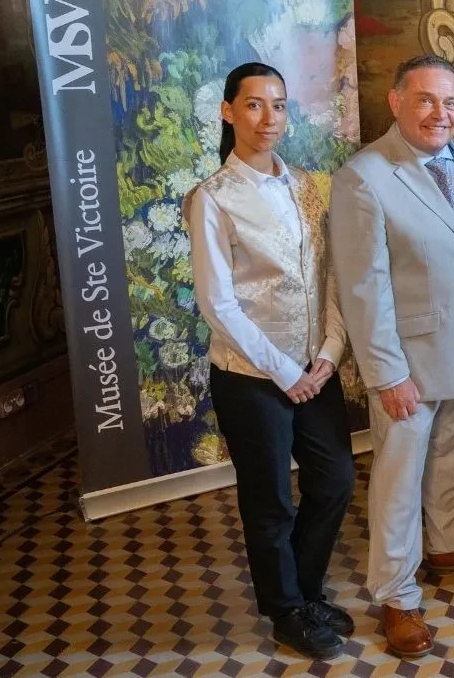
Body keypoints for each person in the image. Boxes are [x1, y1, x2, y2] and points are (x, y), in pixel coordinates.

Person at [330, 54, 454, 659]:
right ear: (397, 101)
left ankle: (447, 544)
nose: (441, 114)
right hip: (408, 363)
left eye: (451, 102)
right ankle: (396, 593)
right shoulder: (364, 176)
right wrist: (388, 374)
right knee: (398, 479)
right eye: (427, 100)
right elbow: (364, 288)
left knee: (451, 461)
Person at [186, 62, 354, 661]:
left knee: (335, 479)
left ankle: (304, 591)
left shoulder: (310, 186)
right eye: (254, 105)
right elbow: (218, 302)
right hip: (251, 377)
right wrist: (285, 372)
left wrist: (330, 353)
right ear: (229, 111)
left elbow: (330, 278)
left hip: (317, 368)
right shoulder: (213, 198)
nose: (268, 118)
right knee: (270, 502)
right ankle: (286, 610)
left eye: (279, 106)